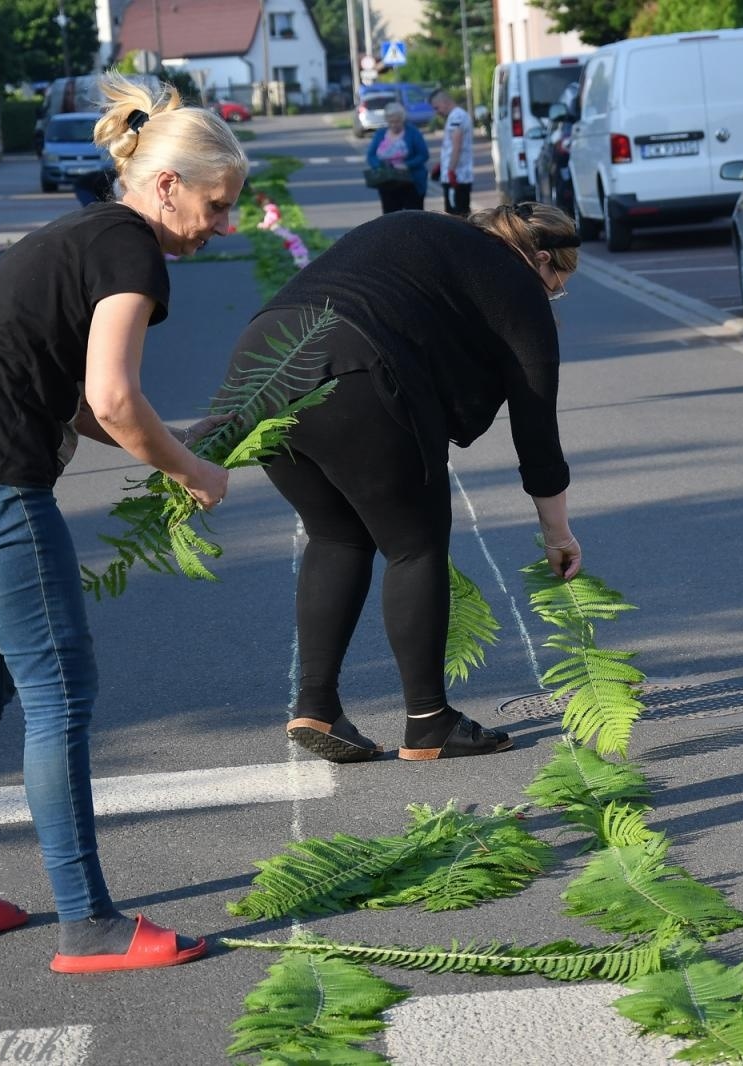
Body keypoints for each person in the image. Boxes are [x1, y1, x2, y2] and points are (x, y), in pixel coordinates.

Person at [0, 71, 247, 974]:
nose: (225, 224)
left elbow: (81, 399)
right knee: (58, 692)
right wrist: (193, 471)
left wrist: (168, 445)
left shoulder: (83, 231)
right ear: (167, 185)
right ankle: (88, 925)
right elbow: (113, 397)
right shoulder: (132, 250)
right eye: (217, 205)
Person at [220, 203, 582, 764]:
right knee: (415, 546)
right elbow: (536, 427)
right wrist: (558, 533)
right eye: (557, 282)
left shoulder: (425, 234)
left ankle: (317, 704)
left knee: (335, 535)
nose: (553, 295)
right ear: (539, 259)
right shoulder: (516, 282)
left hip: (261, 360)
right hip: (356, 367)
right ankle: (429, 720)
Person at [364, 100, 429, 214]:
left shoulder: (413, 132)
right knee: (390, 216)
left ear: (402, 119)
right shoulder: (380, 134)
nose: (394, 125)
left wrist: (407, 165)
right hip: (387, 181)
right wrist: (379, 166)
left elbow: (423, 155)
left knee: (413, 216)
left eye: (397, 121)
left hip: (411, 182)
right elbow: (371, 155)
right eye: (391, 122)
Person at [428, 88, 474, 216]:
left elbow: (456, 144)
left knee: (456, 216)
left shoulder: (456, 117)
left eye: (436, 107)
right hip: (458, 175)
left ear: (444, 102)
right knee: (458, 213)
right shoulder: (457, 116)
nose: (437, 112)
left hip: (457, 176)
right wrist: (442, 165)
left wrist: (451, 170)